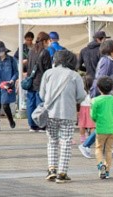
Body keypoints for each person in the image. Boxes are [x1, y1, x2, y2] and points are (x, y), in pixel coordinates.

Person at [40, 50, 86, 183]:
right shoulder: (74, 75)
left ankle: (51, 169)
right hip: (68, 113)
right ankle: (62, 172)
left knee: (52, 140)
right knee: (66, 142)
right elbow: (81, 96)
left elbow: (42, 95)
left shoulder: (48, 73)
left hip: (50, 113)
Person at [79, 40, 113, 159]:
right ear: (111, 49)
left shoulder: (106, 61)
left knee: (105, 124)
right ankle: (86, 145)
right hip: (103, 95)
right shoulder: (107, 61)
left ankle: (106, 148)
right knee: (105, 124)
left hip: (103, 94)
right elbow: (101, 79)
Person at [91, 76, 113, 179]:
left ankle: (101, 165)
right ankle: (107, 171)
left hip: (101, 129)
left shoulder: (95, 101)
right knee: (109, 150)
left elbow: (93, 116)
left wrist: (96, 120)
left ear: (99, 88)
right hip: (112, 129)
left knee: (99, 148)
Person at [0, 41, 18, 131]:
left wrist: (12, 80)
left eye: (1, 51)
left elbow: (16, 72)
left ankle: (11, 120)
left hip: (8, 84)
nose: (0, 53)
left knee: (5, 105)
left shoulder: (12, 59)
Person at [26, 31, 52, 132]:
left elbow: (28, 66)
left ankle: (32, 125)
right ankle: (41, 125)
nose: (49, 43)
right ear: (45, 41)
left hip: (31, 80)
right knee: (40, 103)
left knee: (30, 103)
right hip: (41, 81)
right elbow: (48, 69)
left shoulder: (31, 51)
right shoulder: (45, 52)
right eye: (48, 41)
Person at [78, 75, 95, 144]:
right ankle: (92, 137)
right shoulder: (93, 92)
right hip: (91, 108)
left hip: (82, 108)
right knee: (92, 125)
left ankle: (82, 137)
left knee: (82, 124)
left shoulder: (81, 92)